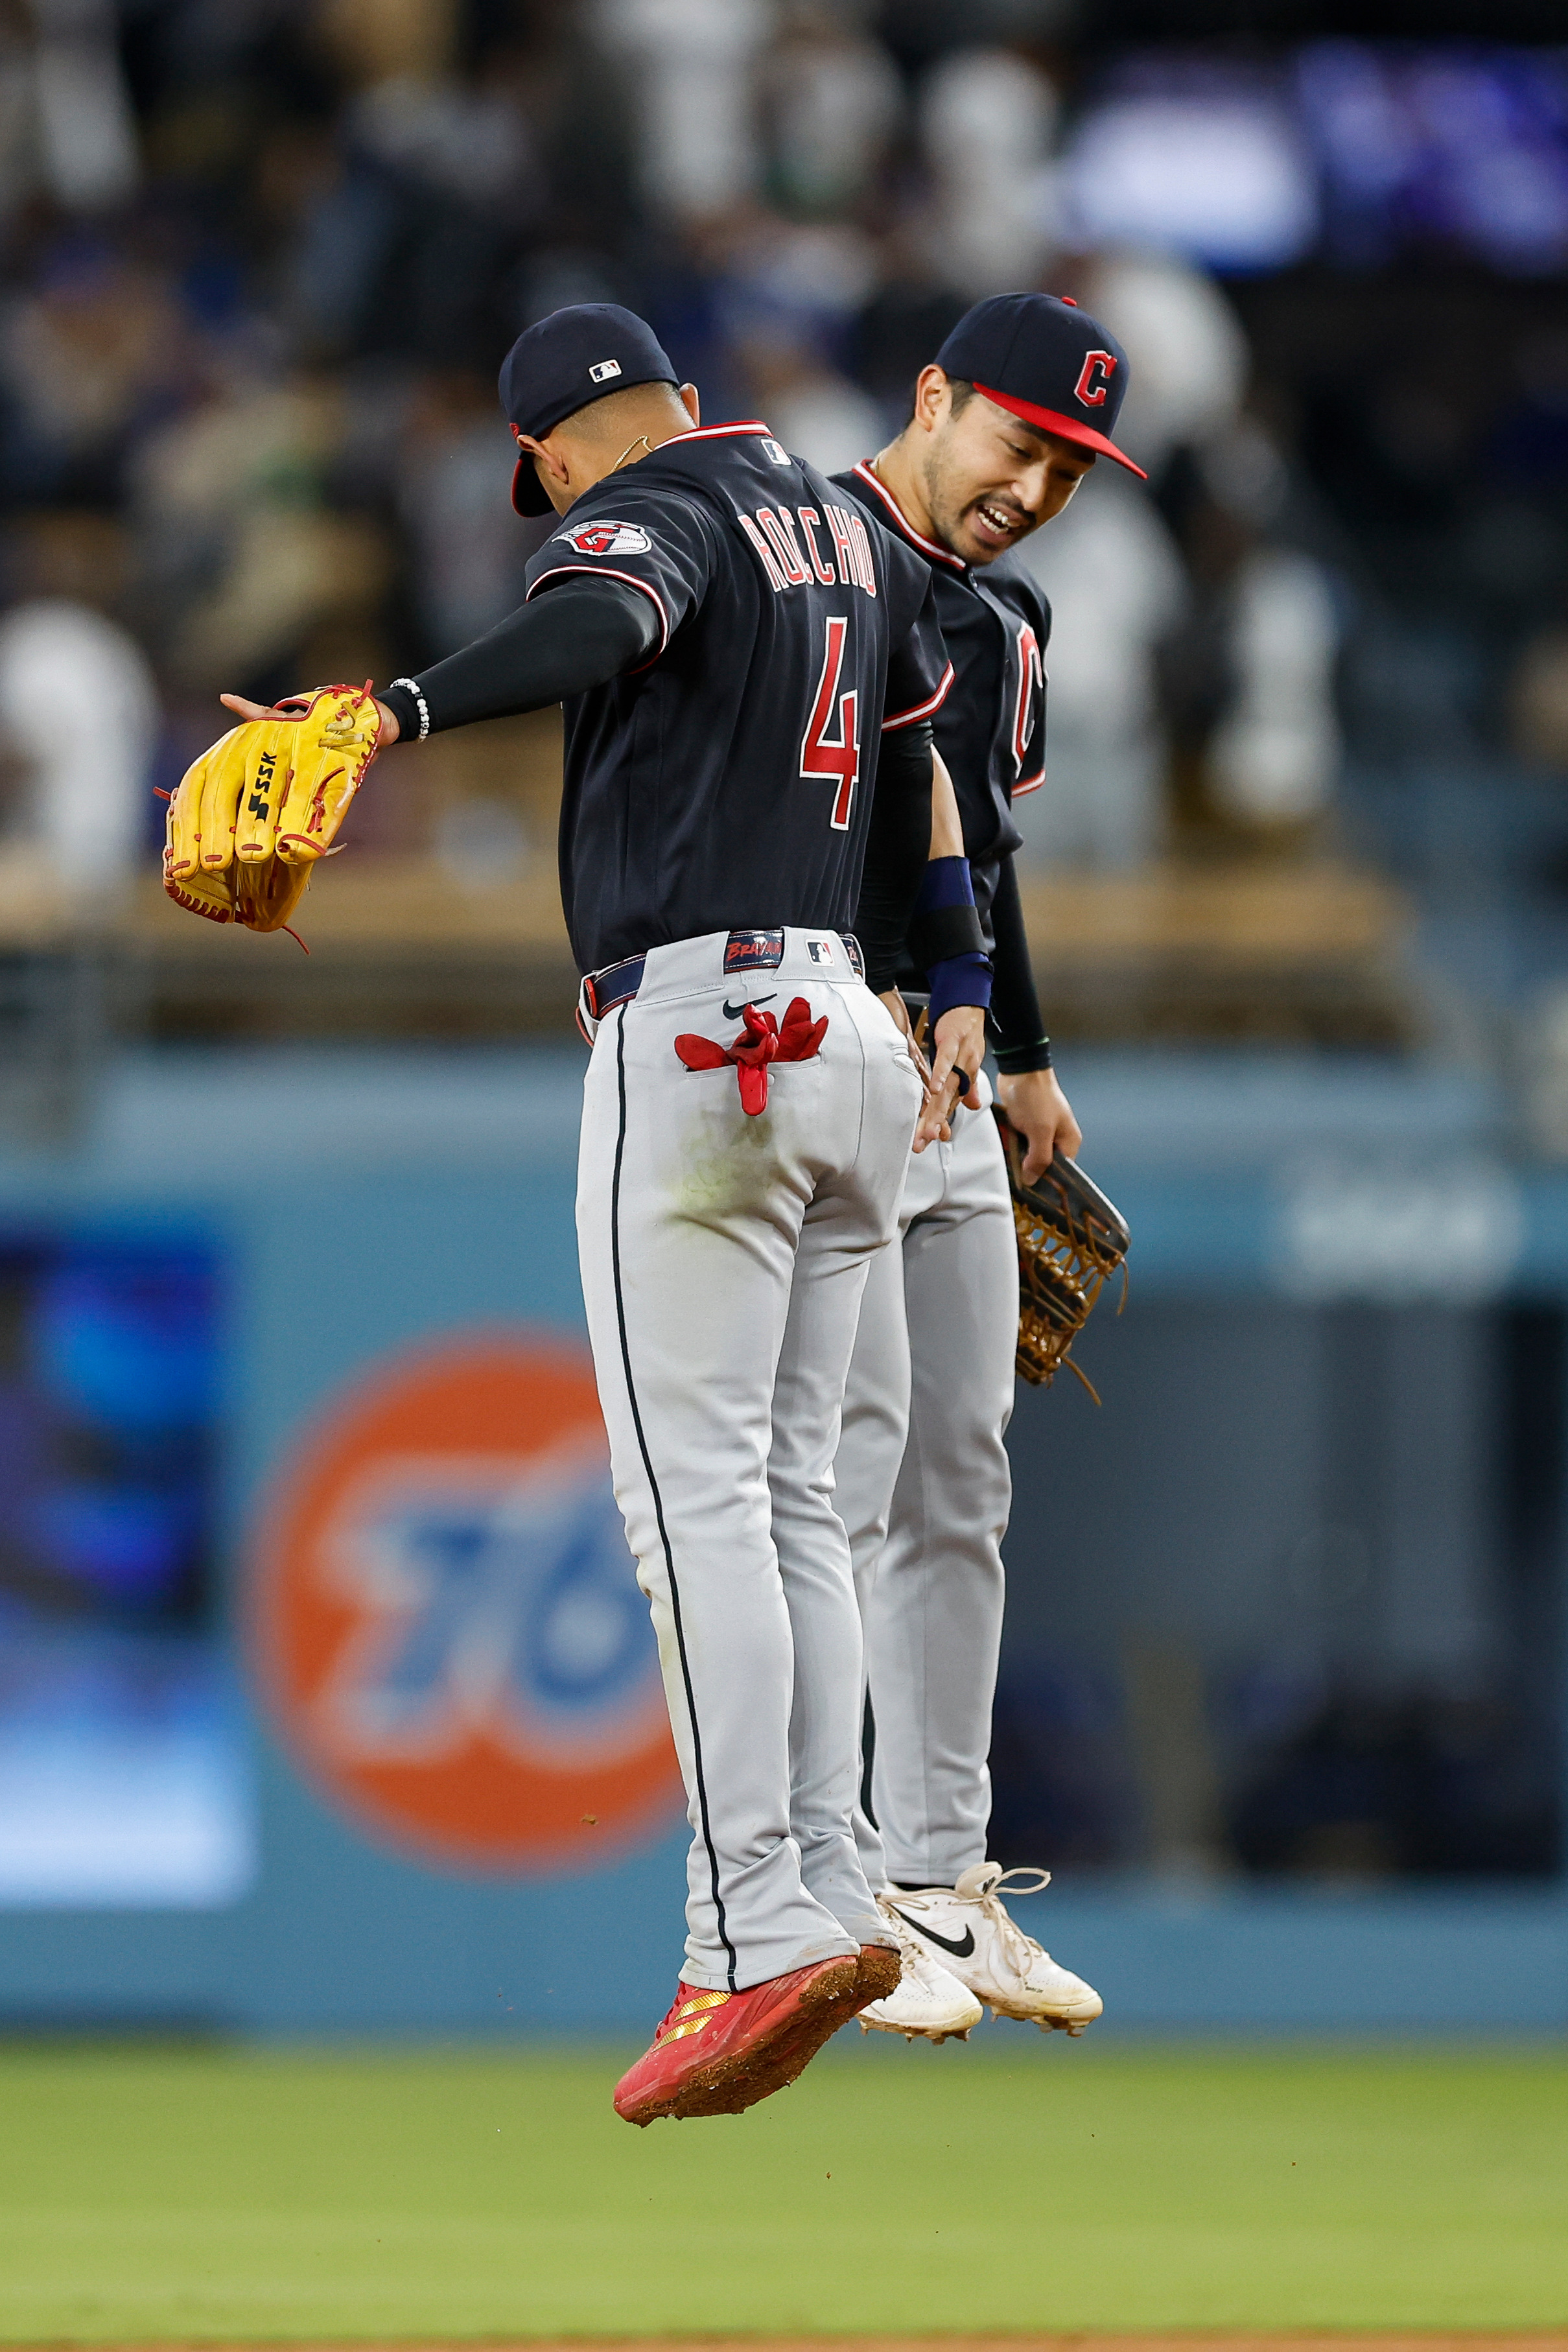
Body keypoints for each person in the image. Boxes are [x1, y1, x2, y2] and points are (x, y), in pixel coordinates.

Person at [214, 305, 982, 2122]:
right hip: (851, 1043)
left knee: (692, 1497)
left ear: (557, 448)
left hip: (710, 1050)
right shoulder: (841, 523)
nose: (555, 501)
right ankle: (829, 1885)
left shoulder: (654, 504)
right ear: (682, 396)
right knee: (794, 1496)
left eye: (544, 478)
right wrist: (960, 976)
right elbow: (911, 772)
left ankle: (747, 1931)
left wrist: (394, 706)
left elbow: (606, 618)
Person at [828, 293, 1147, 2039]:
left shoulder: (1007, 626)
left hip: (954, 1082)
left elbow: (987, 858)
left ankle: (940, 1877)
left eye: (1069, 471)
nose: (1034, 489)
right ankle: (819, 1887)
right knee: (834, 1471)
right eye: (1020, 444)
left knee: (960, 1471)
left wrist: (1024, 1051)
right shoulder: (800, 556)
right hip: (811, 1051)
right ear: (934, 395)